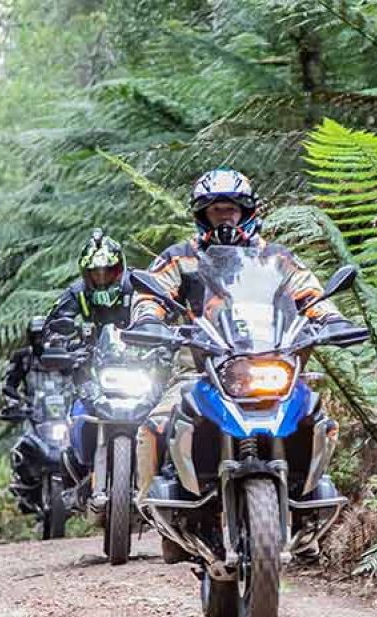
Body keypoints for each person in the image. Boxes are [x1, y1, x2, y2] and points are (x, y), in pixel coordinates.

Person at [128, 167, 362, 562]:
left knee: (318, 417)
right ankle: (156, 512)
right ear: (201, 215)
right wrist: (148, 317)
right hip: (201, 365)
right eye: (216, 210)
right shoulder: (181, 257)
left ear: (246, 211)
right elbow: (152, 293)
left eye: (232, 209)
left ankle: (308, 501)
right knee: (154, 425)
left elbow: (310, 292)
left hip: (271, 359)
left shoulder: (275, 258)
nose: (225, 218)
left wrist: (332, 319)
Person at [45, 229, 133, 332]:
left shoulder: (136, 285)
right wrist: (62, 338)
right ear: (86, 274)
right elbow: (49, 328)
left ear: (119, 270)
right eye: (95, 272)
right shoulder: (78, 292)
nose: (102, 277)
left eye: (108, 271)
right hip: (93, 346)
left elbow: (153, 313)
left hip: (138, 345)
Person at [2, 316, 47, 403]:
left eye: (41, 336)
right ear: (30, 338)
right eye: (35, 337)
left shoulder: (58, 353)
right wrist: (20, 399)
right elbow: (9, 384)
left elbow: (71, 379)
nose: (38, 341)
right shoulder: (23, 357)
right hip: (31, 406)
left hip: (60, 406)